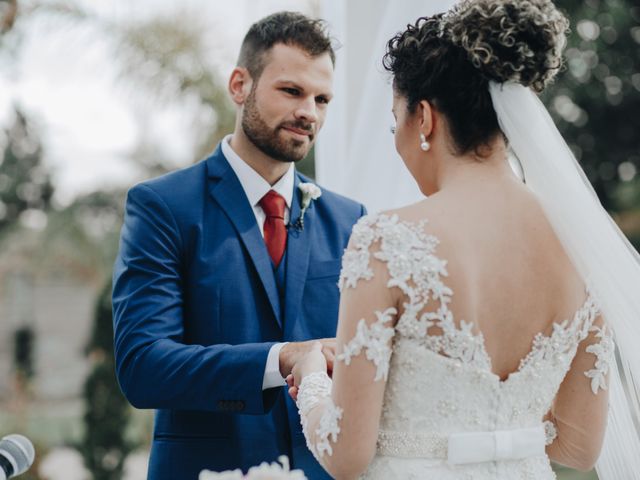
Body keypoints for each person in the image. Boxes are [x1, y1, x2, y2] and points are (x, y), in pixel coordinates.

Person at [288, 0, 640, 478]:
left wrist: (310, 375)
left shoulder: (386, 240)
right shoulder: (578, 245)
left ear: (426, 119)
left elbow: (345, 454)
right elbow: (579, 448)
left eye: (397, 121)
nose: (397, 140)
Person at [112, 11, 365, 480]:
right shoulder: (163, 207)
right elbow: (143, 365)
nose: (309, 111)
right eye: (292, 91)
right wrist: (282, 357)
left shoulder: (352, 220)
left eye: (322, 98)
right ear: (239, 85)